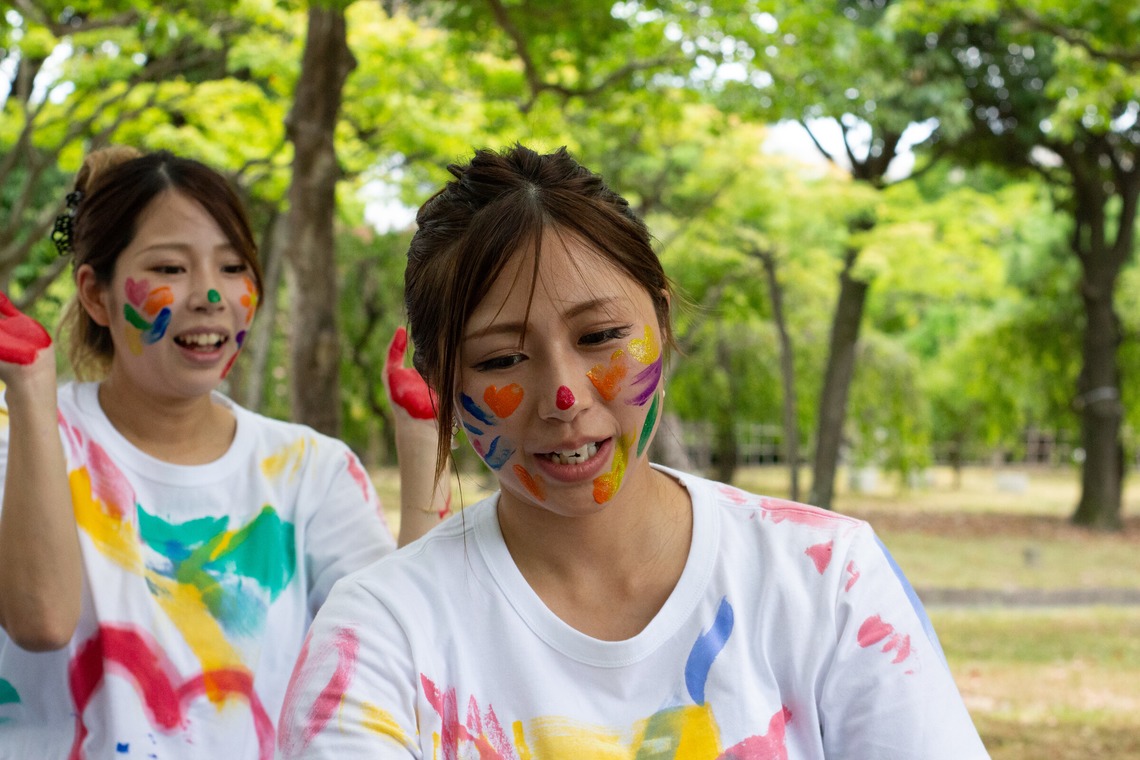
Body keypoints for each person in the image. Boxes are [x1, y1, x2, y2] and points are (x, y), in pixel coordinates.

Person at [277, 144, 991, 759]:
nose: (564, 394)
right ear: (440, 382)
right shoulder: (379, 634)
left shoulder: (827, 582)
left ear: (661, 316)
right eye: (501, 359)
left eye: (599, 338)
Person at [0, 146, 446, 759]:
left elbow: (404, 648)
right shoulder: (19, 439)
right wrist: (28, 394)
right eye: (170, 268)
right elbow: (42, 621)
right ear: (96, 296)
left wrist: (426, 441)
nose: (211, 294)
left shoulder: (310, 471)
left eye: (234, 267)